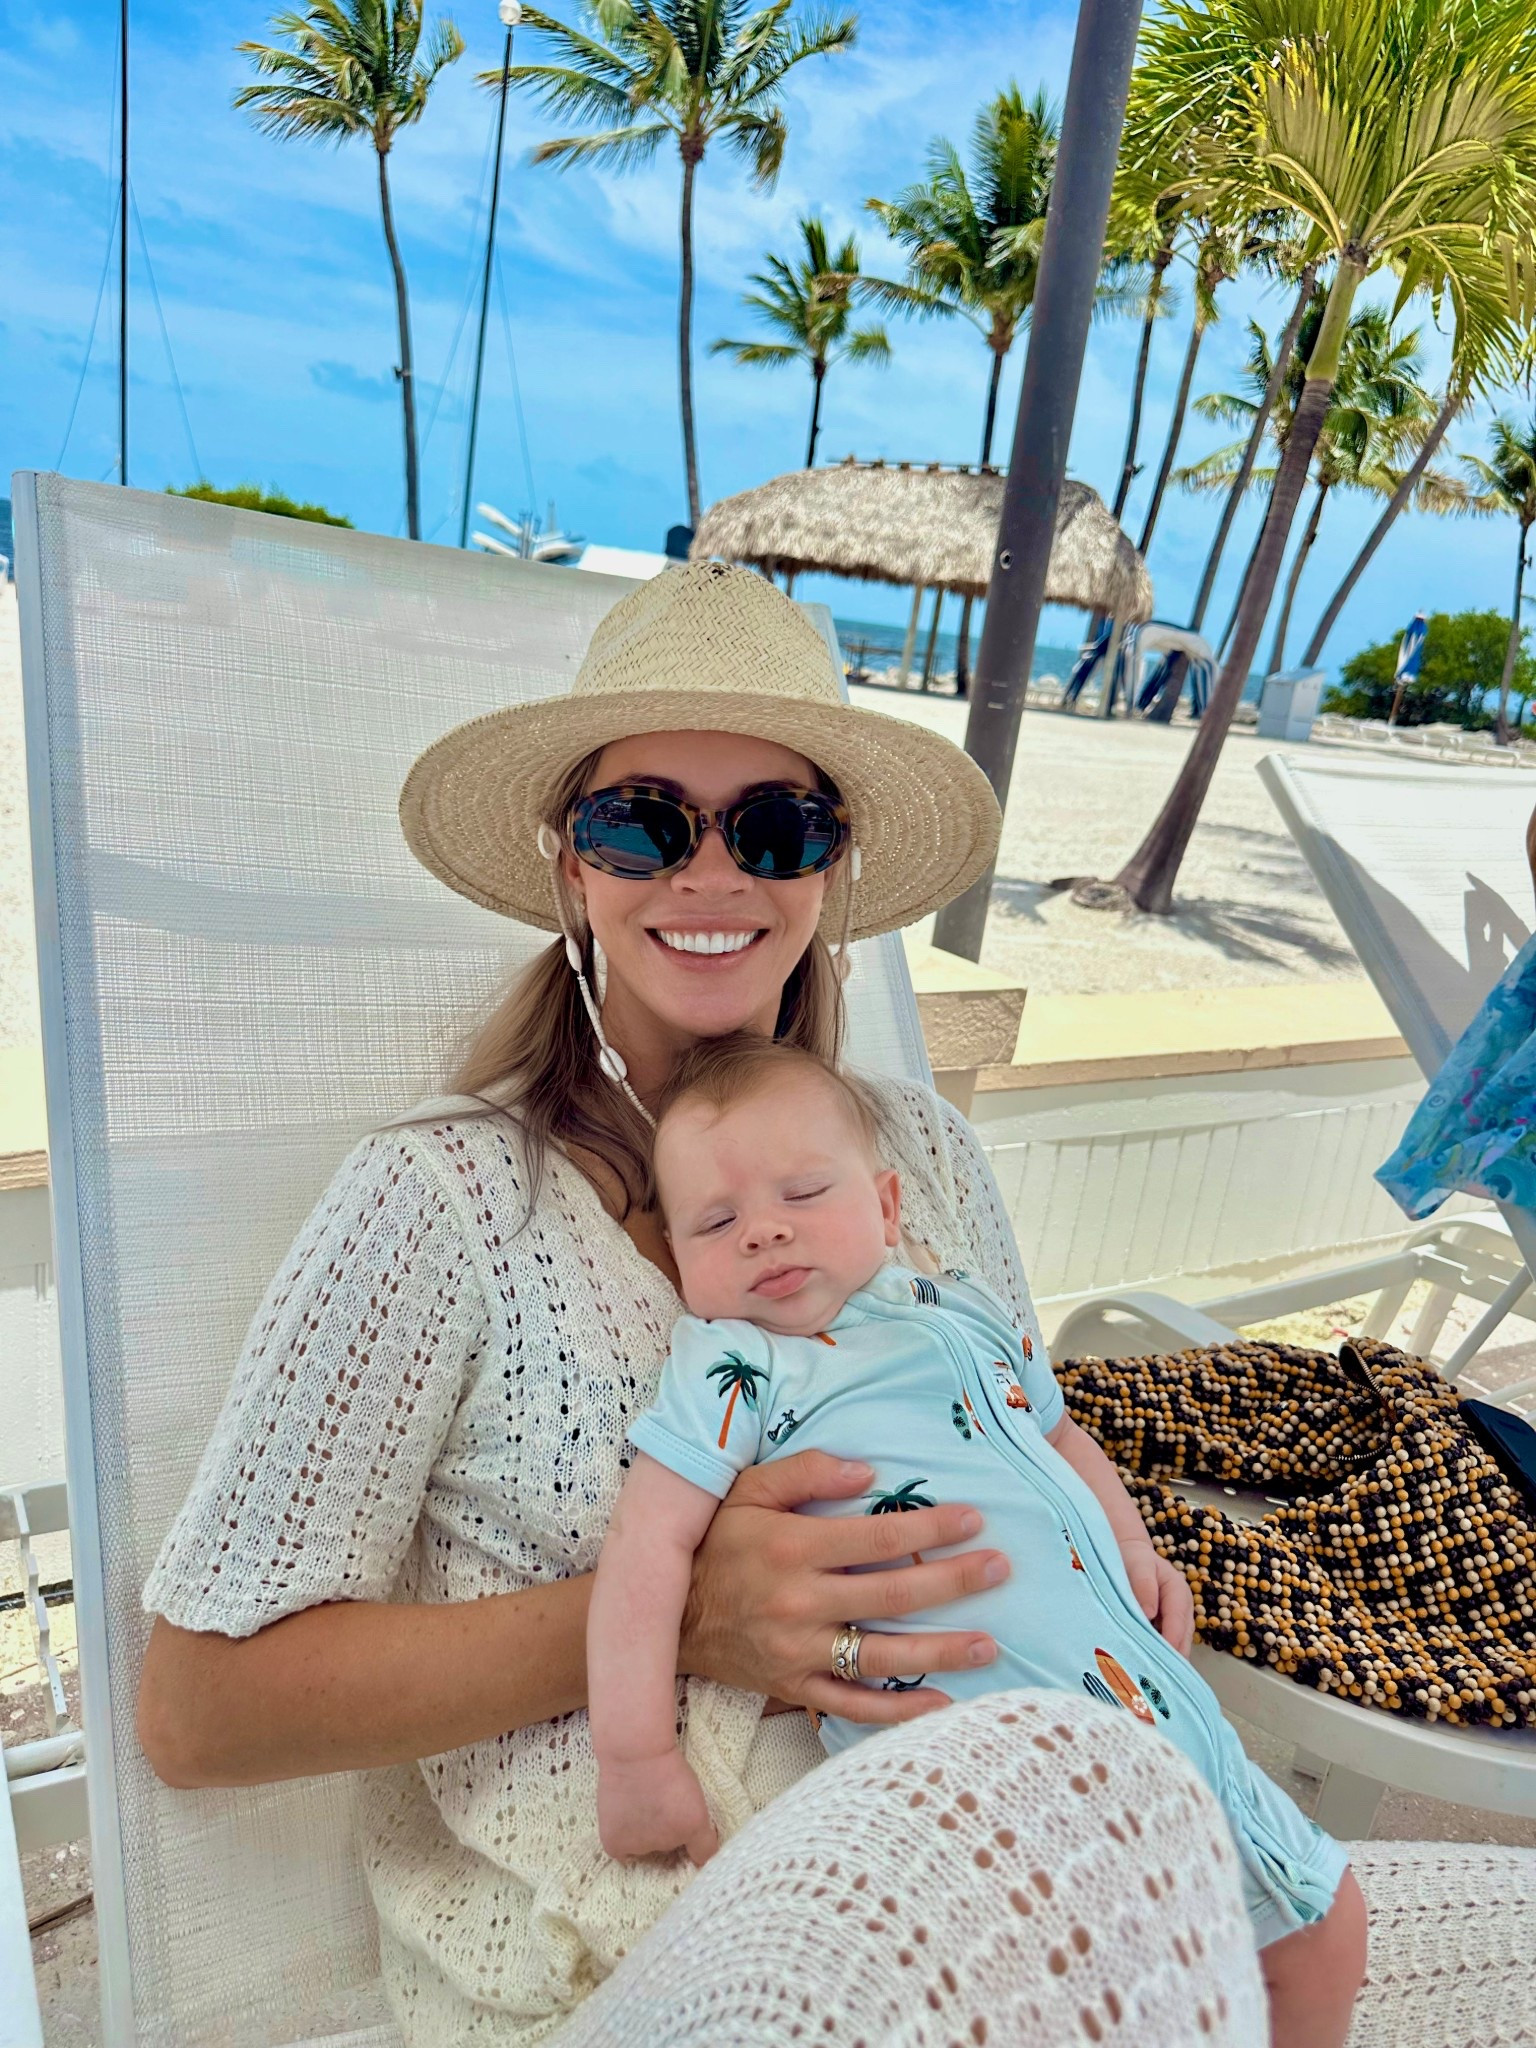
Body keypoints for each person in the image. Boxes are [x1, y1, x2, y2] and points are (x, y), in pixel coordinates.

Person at [132, 561, 1529, 2046]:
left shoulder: (920, 1154)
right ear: (570, 865)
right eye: (641, 822)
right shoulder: (446, 1205)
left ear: (834, 869)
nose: (713, 875)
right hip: (639, 1956)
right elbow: (199, 1710)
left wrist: (1116, 1576)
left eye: (778, 826)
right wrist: (686, 1618)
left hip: (1004, 1851)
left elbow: (1009, 1440)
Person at [591, 1034, 1365, 2047]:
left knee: (1325, 1922)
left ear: (887, 1207)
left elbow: (1060, 1432)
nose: (764, 1234)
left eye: (804, 1193)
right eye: (717, 1221)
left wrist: (1134, 1551)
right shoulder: (736, 1365)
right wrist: (637, 1756)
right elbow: (645, 1555)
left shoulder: (966, 1305)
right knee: (1086, 1988)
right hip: (983, 1780)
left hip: (1159, 1721)